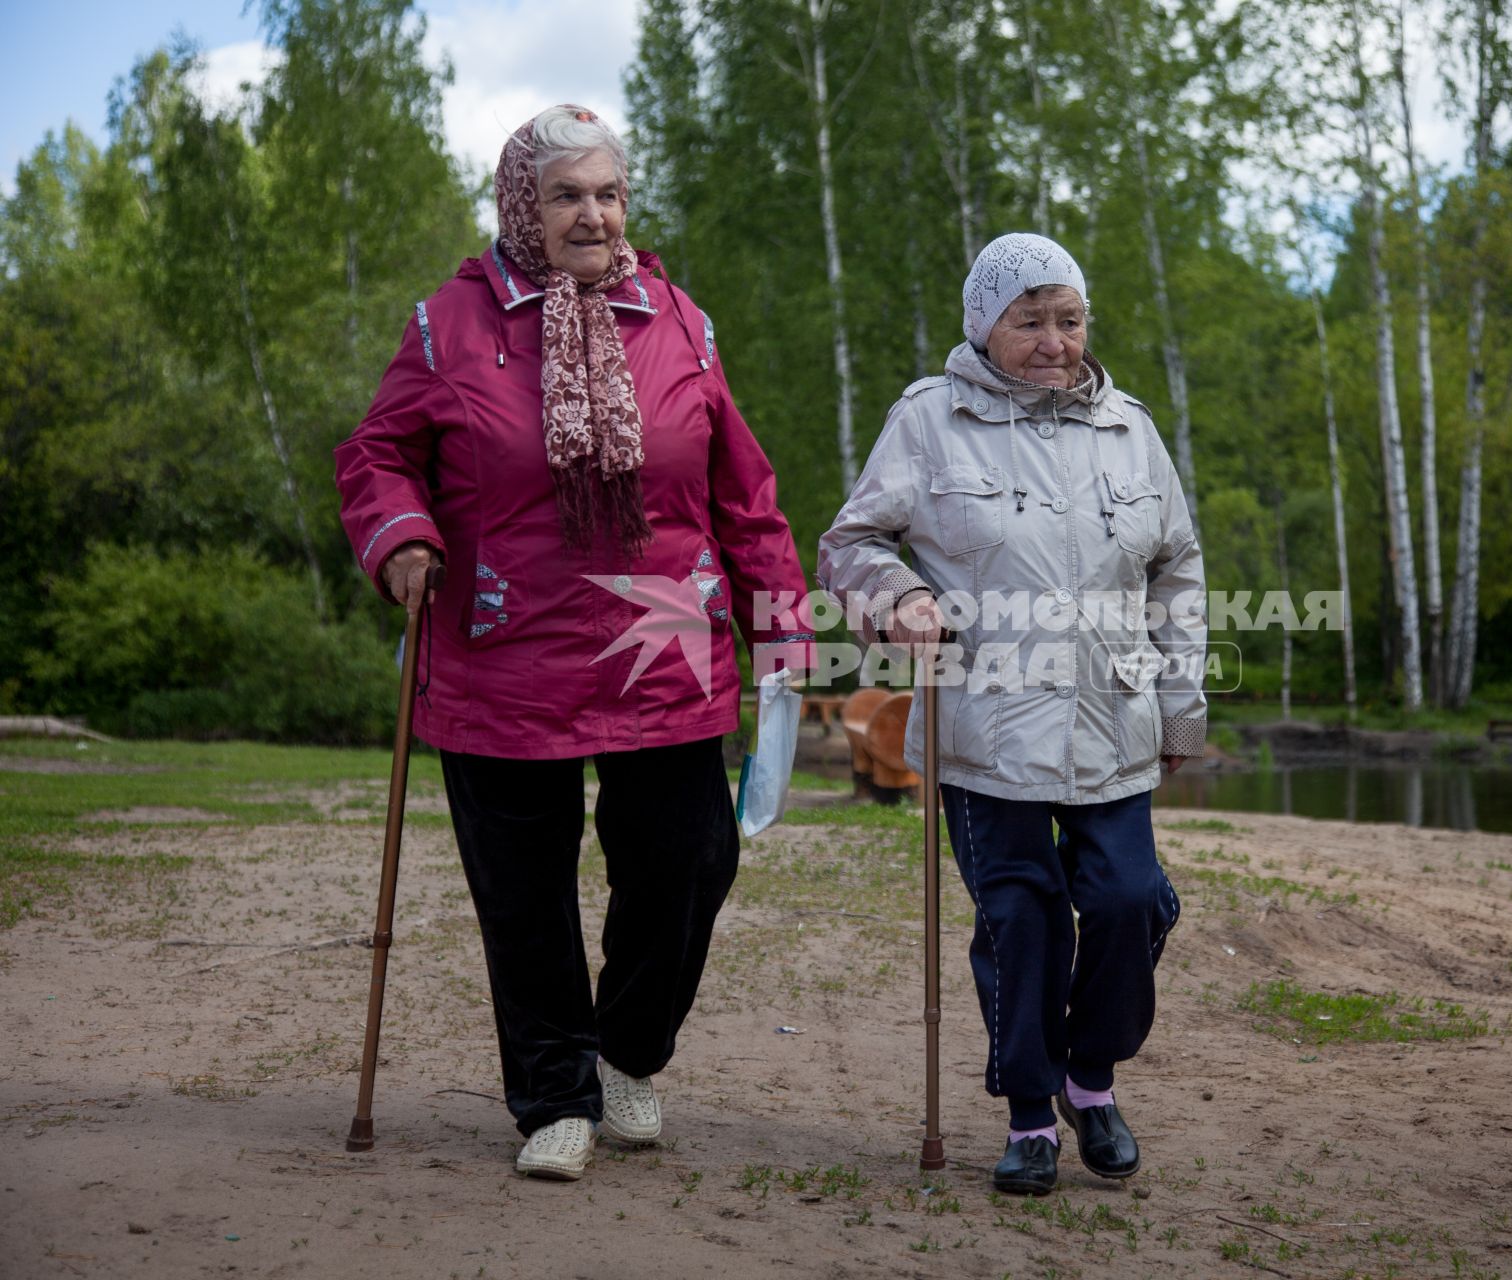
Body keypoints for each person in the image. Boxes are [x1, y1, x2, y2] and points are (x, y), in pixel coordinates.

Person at [335, 105, 813, 1181]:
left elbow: (742, 487)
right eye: (565, 195)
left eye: (607, 193)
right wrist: (401, 534)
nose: (592, 215)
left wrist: (779, 617)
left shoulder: (678, 319)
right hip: (503, 639)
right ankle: (556, 1092)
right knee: (523, 888)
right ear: (521, 205)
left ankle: (629, 1051)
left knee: (691, 858)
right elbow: (376, 455)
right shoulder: (450, 325)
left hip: (664, 632)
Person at [818, 233, 1207, 1195]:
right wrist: (898, 600)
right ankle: (1033, 1116)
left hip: (1112, 720)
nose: (1052, 341)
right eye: (1028, 320)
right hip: (984, 729)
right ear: (984, 327)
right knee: (1022, 921)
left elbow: (1178, 568)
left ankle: (1090, 1076)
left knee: (1126, 902)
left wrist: (1180, 705)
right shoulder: (929, 420)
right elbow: (851, 541)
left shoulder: (1130, 429)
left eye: (1068, 320)